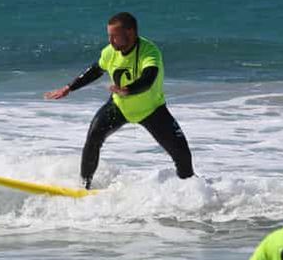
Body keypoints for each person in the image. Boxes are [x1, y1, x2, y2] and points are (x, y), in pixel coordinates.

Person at [44, 12, 194, 189]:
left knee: (183, 156)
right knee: (93, 139)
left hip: (152, 110)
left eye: (114, 36)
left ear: (130, 33)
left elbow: (148, 79)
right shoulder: (110, 52)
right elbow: (95, 70)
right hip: (119, 107)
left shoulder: (149, 52)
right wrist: (69, 87)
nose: (111, 41)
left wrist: (128, 90)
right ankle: (84, 187)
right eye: (109, 36)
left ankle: (192, 192)